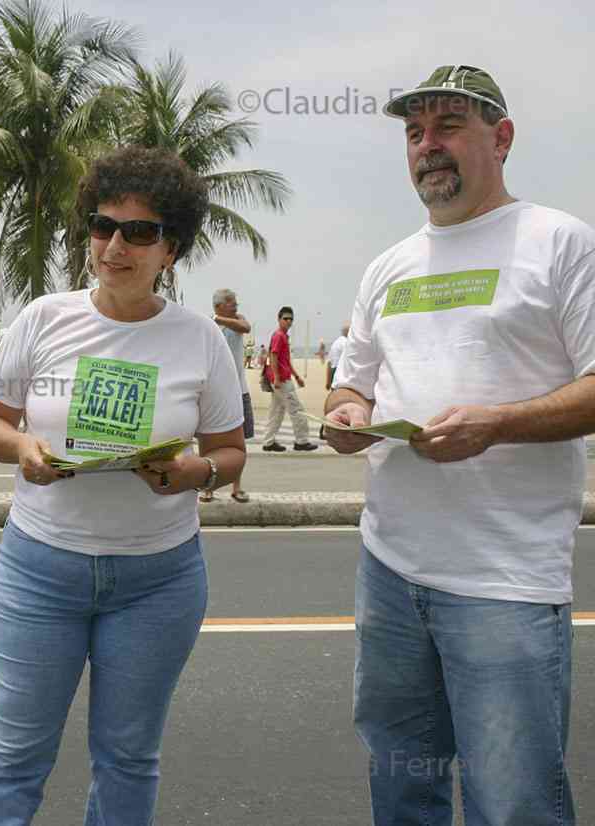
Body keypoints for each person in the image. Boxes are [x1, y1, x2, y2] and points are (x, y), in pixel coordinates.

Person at [326, 65, 594, 825]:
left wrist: (497, 423)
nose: (427, 146)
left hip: (504, 582)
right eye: (415, 133)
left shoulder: (560, 243)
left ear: (501, 138)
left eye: (448, 127)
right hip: (390, 572)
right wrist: (348, 419)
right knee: (401, 785)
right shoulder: (389, 266)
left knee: (511, 801)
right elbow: (354, 385)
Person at [0, 146, 246, 826]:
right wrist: (22, 447)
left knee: (127, 759)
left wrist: (194, 476)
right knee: (12, 758)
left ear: (169, 249)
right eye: (103, 226)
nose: (116, 245)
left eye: (140, 232)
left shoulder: (201, 339)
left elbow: (231, 452)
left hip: (159, 581)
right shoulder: (42, 318)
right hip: (40, 572)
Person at [206, 288, 252, 502]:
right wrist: (215, 320)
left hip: (240, 390)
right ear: (219, 305)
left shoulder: (236, 320)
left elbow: (245, 327)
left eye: (236, 303)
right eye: (232, 303)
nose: (236, 306)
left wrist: (220, 319)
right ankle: (208, 488)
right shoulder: (208, 326)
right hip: (216, 391)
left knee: (239, 443)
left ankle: (237, 487)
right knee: (209, 440)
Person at [261, 306, 317, 451]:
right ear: (279, 319)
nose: (289, 321)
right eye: (285, 318)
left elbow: (285, 361)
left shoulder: (283, 336)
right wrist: (277, 378)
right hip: (282, 381)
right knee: (297, 410)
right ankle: (302, 441)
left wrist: (297, 376)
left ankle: (268, 442)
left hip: (282, 378)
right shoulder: (279, 336)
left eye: (291, 319)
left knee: (277, 411)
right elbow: (273, 356)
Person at [325, 323, 349, 390]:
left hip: (333, 371)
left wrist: (328, 381)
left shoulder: (335, 343)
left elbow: (329, 363)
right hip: (341, 371)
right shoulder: (346, 342)